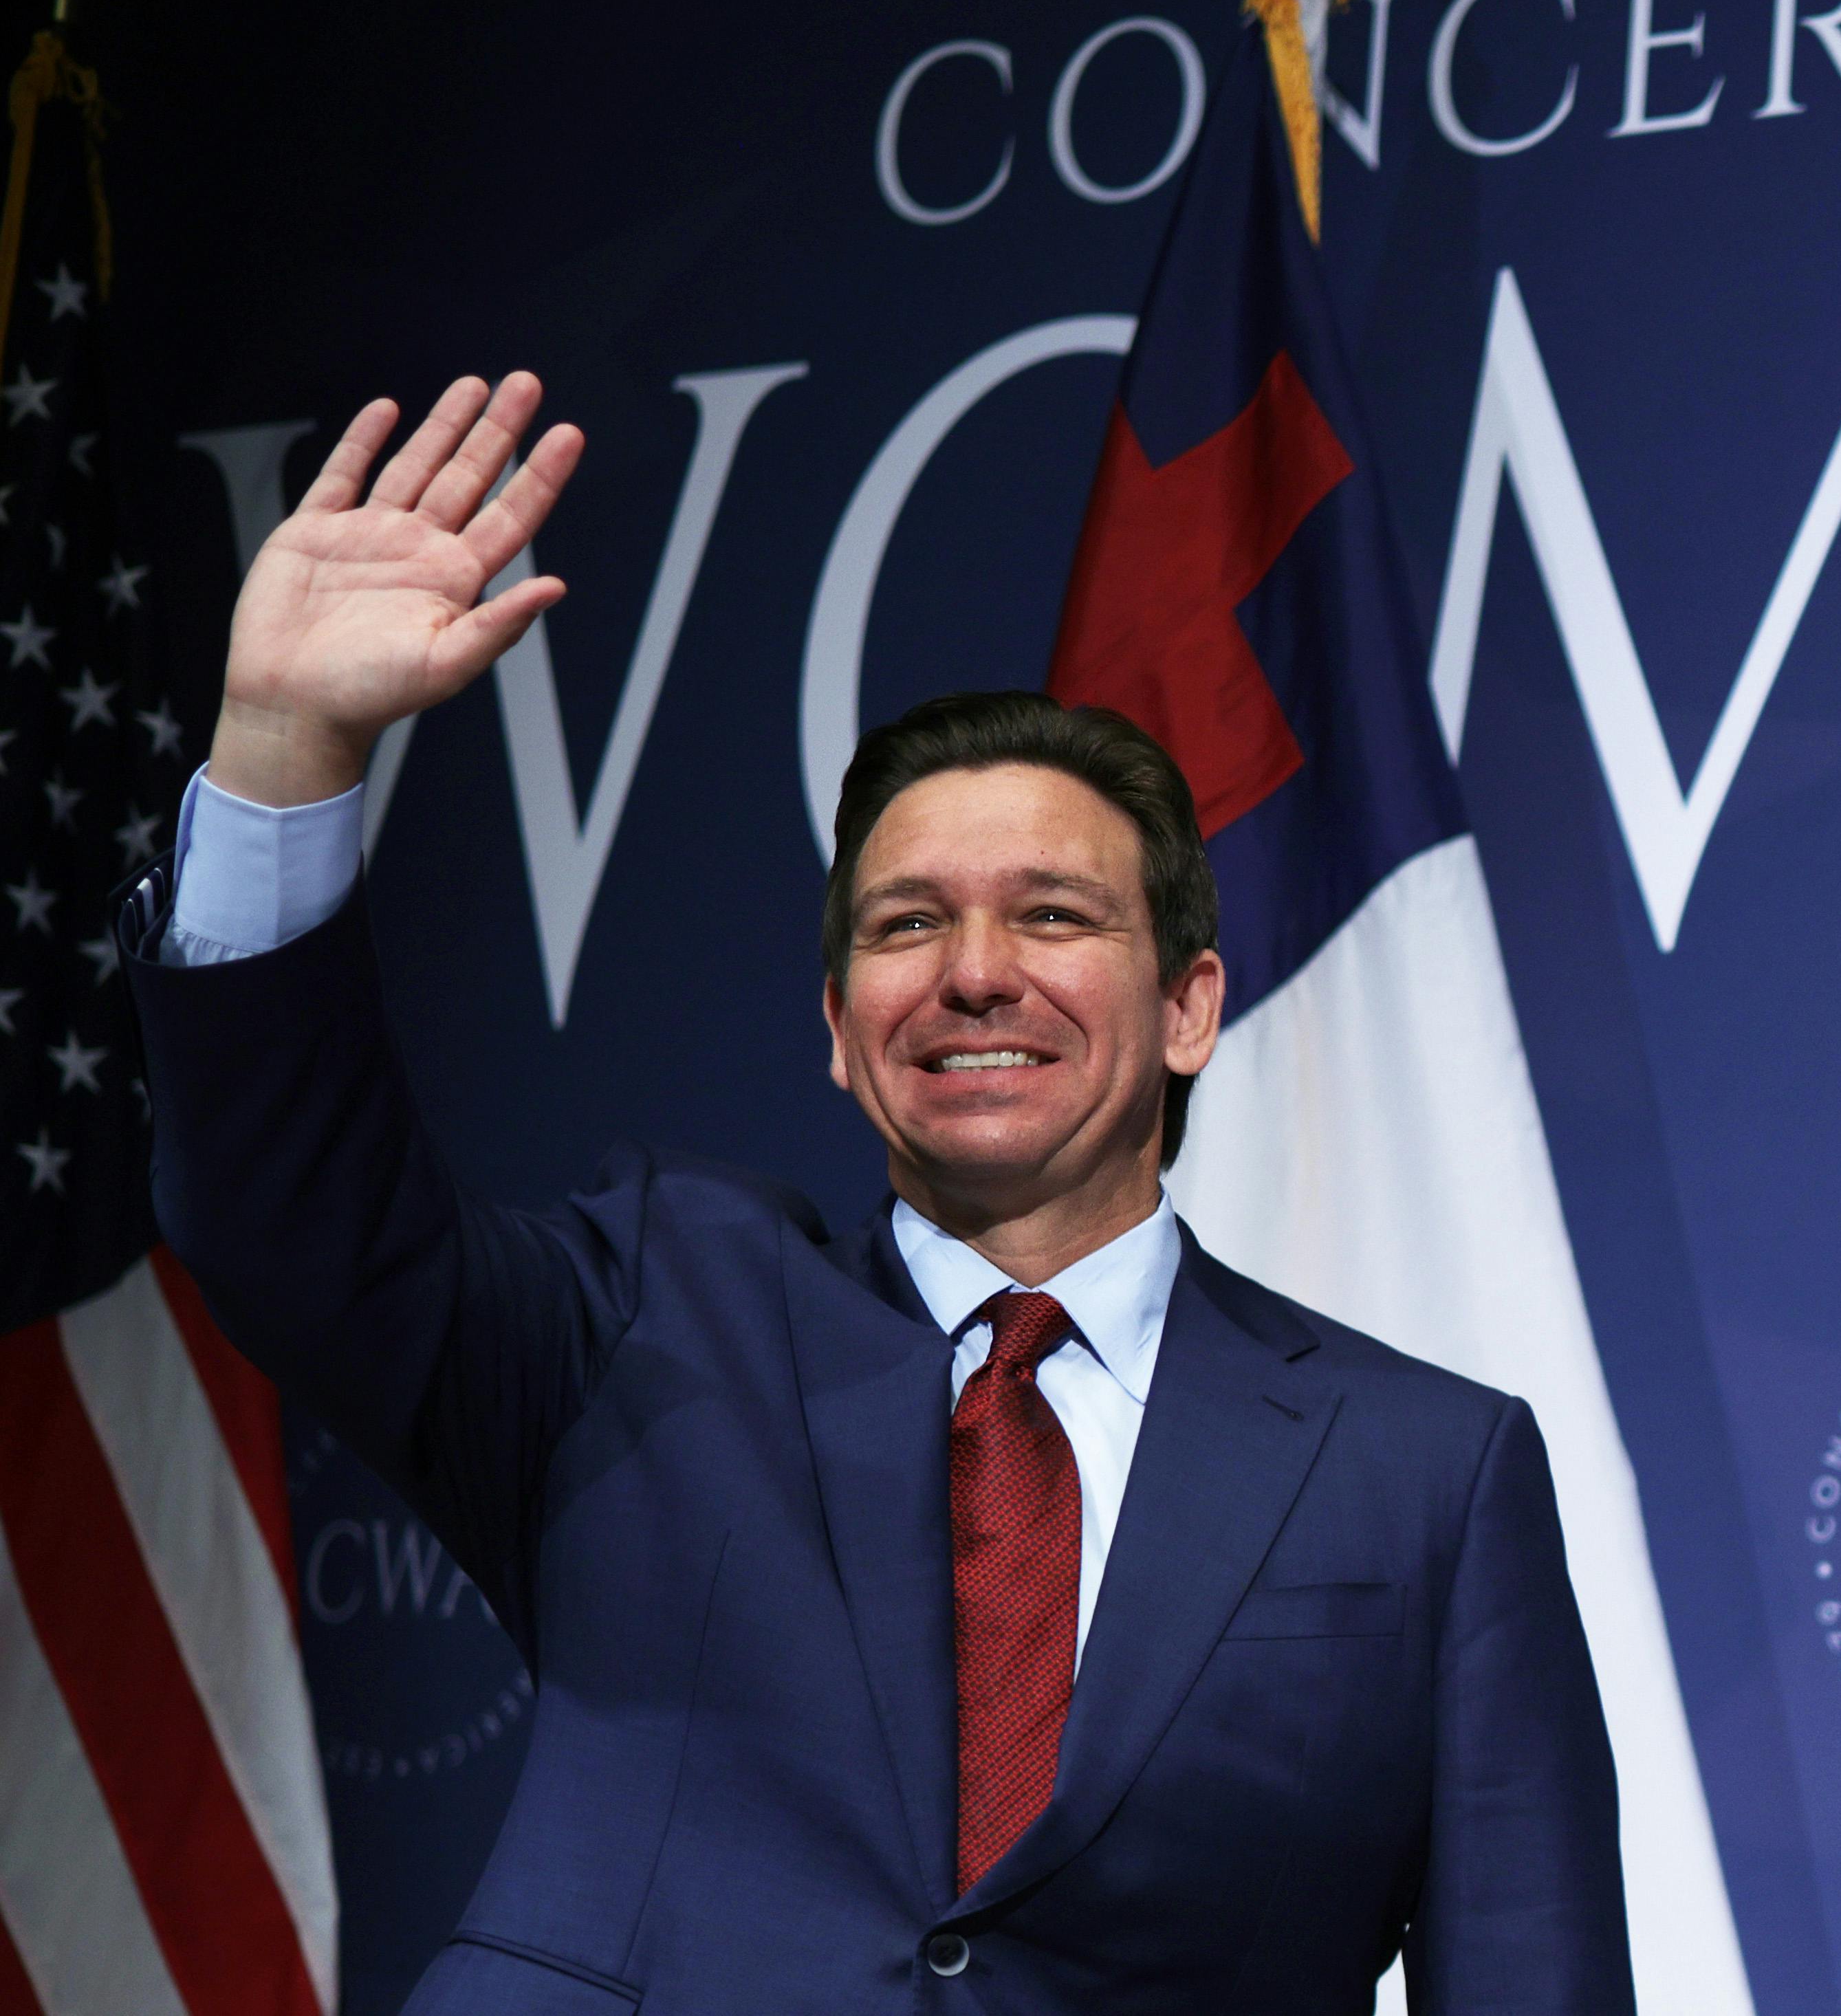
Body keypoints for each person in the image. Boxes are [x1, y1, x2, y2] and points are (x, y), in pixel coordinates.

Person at [123, 373, 1637, 2015]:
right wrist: (283, 755)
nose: (975, 971)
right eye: (908, 923)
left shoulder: (1424, 1473)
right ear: (842, 1029)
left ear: (1191, 1005)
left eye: (1053, 915)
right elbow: (294, 1224)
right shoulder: (642, 1314)